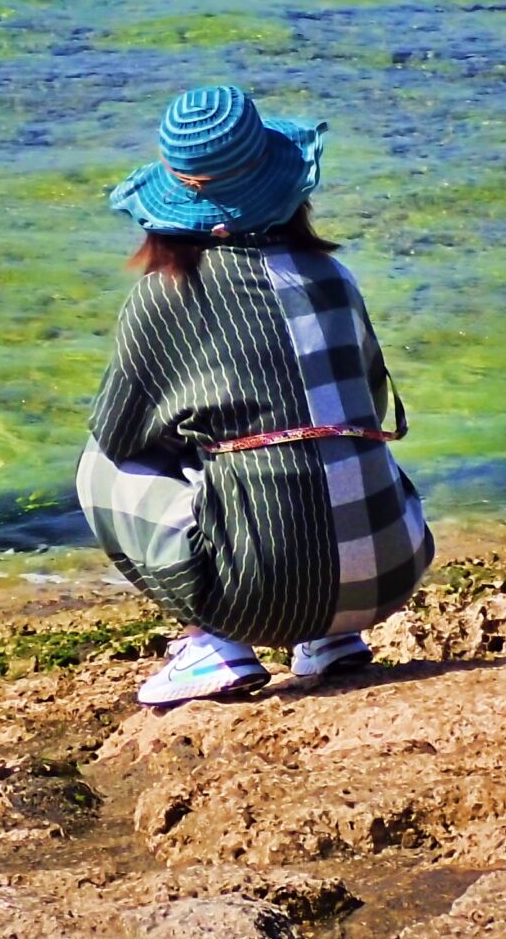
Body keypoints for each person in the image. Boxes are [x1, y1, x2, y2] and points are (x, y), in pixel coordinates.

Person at [77, 85, 434, 706]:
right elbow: (370, 403)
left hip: (259, 592)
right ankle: (333, 639)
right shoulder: (333, 277)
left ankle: (211, 643)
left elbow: (121, 434)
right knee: (317, 443)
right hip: (391, 567)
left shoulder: (165, 296)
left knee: (100, 466)